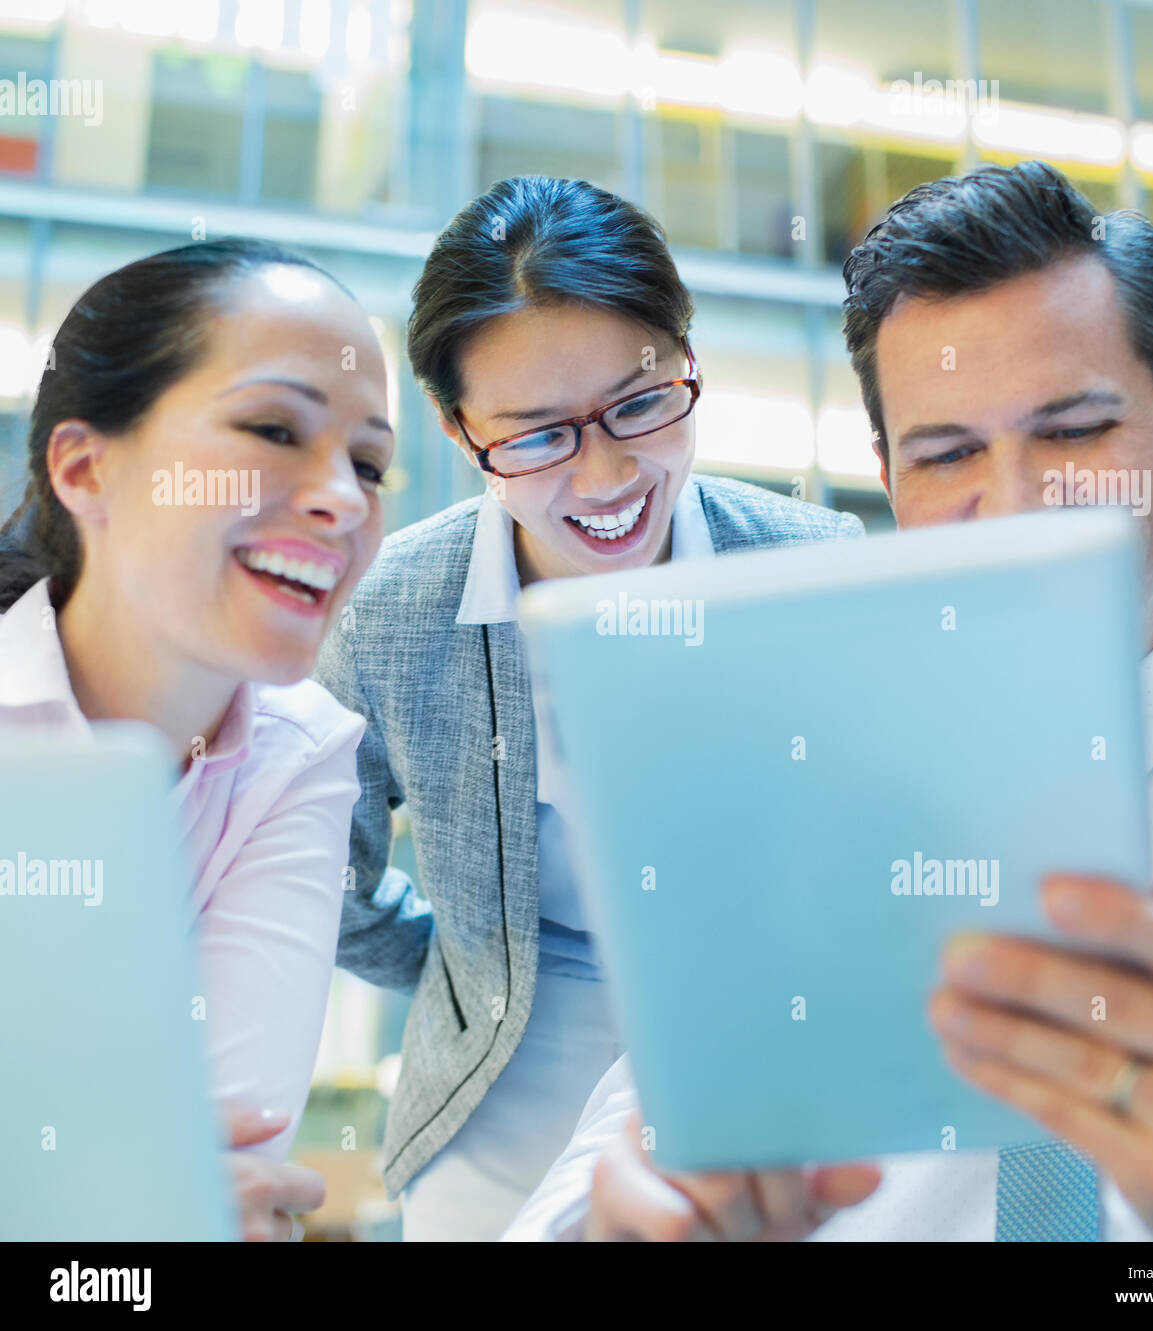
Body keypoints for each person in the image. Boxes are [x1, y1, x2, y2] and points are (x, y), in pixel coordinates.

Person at [503, 160, 1153, 1242]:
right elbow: (600, 1181)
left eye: (1073, 431)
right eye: (950, 453)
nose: (1017, 506)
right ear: (888, 479)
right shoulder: (793, 814)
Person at [312, 174, 868, 1240]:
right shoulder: (394, 612)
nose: (608, 472)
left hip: (752, 1038)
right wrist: (470, 966)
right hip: (498, 1066)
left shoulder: (808, 568)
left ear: (688, 360)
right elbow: (324, 875)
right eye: (535, 436)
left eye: (641, 404)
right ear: (456, 425)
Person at [0, 237, 396, 1241]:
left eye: (370, 462)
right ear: (86, 468)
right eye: (273, 426)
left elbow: (231, 1155)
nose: (344, 498)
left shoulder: (302, 747)